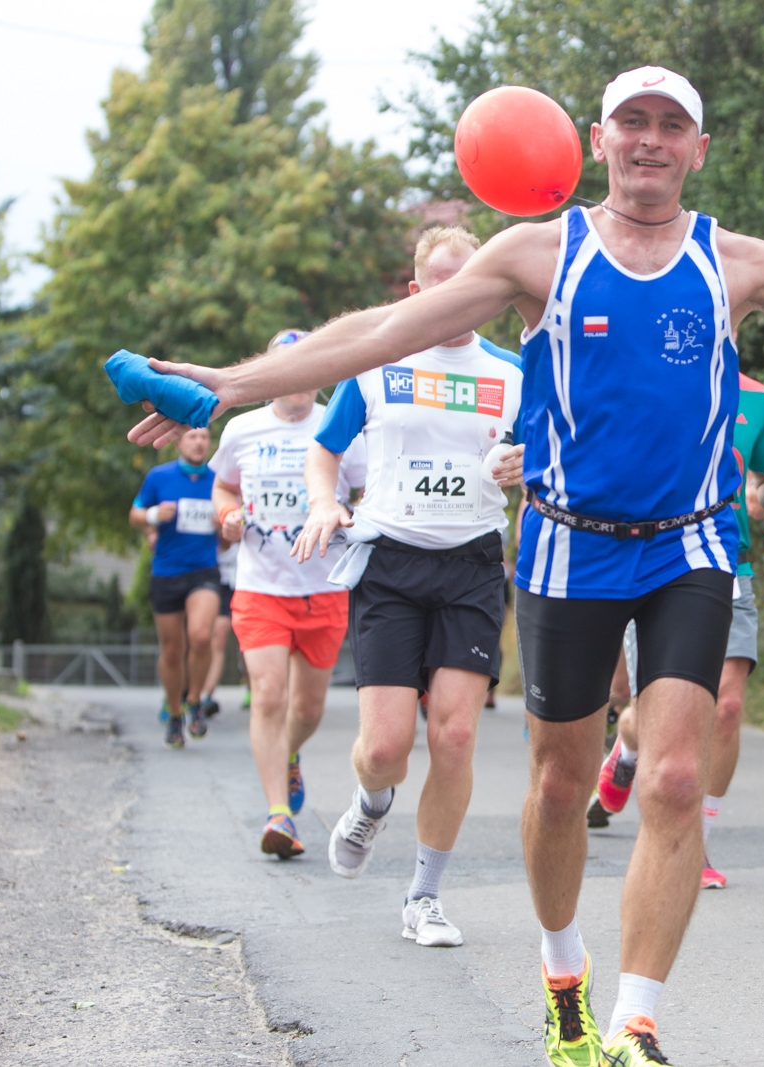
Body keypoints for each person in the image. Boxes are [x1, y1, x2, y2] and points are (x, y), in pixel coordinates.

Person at [121, 66, 764, 1065]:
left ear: (699, 149)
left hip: (691, 545)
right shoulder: (535, 253)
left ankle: (639, 1017)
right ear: (596, 140)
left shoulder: (736, 262)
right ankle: (565, 975)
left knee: (675, 775)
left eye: (670, 125)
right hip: (567, 545)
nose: (649, 140)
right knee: (561, 786)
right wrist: (228, 385)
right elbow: (382, 334)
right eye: (630, 122)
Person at [294, 226, 524, 950]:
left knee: (454, 733)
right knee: (387, 745)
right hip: (391, 560)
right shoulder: (378, 362)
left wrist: (529, 468)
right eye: (442, 283)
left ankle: (424, 895)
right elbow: (325, 450)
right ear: (417, 290)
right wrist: (325, 502)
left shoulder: (516, 374)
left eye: (471, 282)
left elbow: (554, 454)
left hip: (472, 564)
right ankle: (371, 799)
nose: (457, 297)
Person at [590, 368, 764, 887]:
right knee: (658, 714)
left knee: (725, 707)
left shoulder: (759, 399)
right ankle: (628, 748)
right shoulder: (647, 375)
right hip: (654, 565)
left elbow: (763, 485)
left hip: (729, 565)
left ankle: (694, 839)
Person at [211, 328, 368, 859]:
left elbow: (372, 488)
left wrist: (353, 516)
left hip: (324, 587)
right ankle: (279, 814)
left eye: (307, 366)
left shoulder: (342, 425)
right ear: (272, 374)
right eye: (287, 366)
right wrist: (228, 516)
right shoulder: (241, 429)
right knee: (270, 694)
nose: (298, 378)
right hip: (260, 586)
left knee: (307, 705)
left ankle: (290, 753)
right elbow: (223, 485)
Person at [130, 425, 221, 748]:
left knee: (200, 635)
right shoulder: (159, 477)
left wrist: (223, 525)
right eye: (193, 437)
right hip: (167, 571)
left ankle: (194, 699)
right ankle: (174, 713)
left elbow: (228, 537)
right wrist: (154, 514)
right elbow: (135, 515)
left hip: (204, 571)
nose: (199, 443)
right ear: (179, 442)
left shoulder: (218, 480)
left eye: (204, 437)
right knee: (172, 649)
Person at [196, 542, 238, 719]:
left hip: (229, 580)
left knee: (218, 640)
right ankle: (182, 693)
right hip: (200, 577)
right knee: (197, 637)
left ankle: (206, 695)